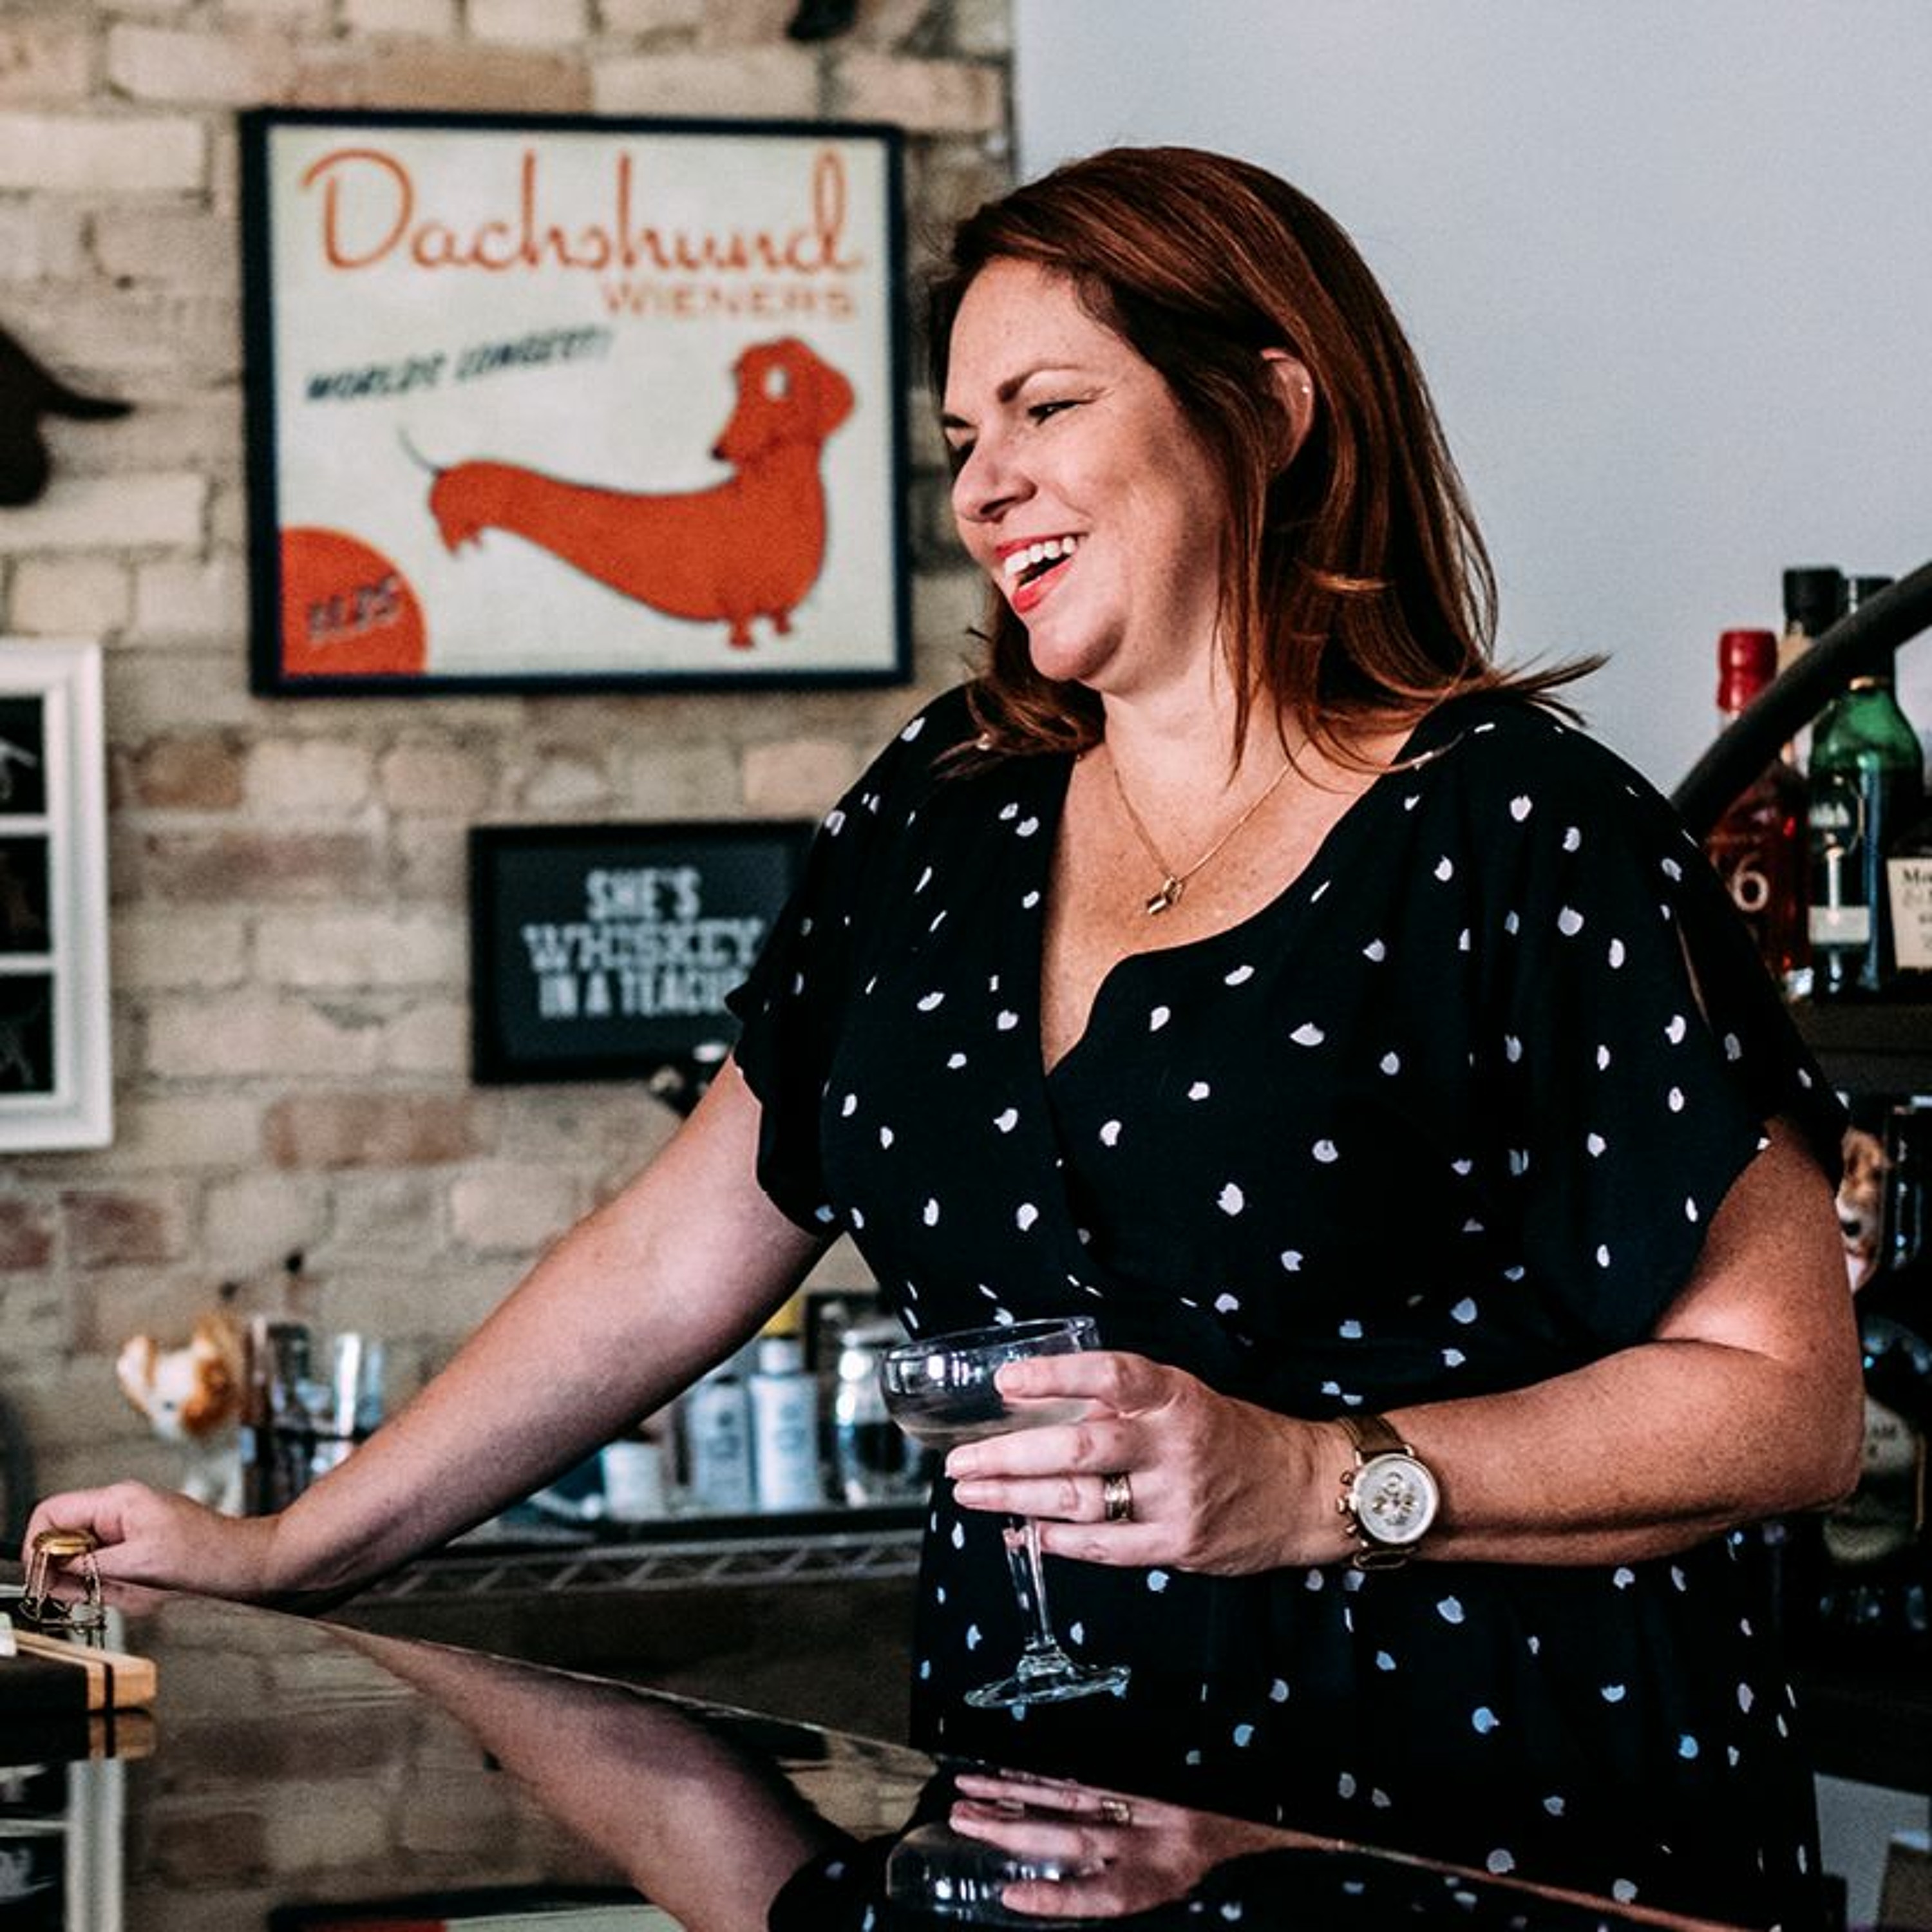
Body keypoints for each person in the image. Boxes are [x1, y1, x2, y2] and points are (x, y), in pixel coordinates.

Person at [22, 146, 1859, 1928]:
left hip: (1493, 1835)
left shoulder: (1522, 831)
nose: (986, 488)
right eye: (963, 439)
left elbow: (1787, 1402)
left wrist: (1319, 1481)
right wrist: (290, 1550)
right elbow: (670, 1261)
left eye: (1045, 408)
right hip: (1040, 1821)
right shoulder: (945, 809)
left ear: (1270, 409)